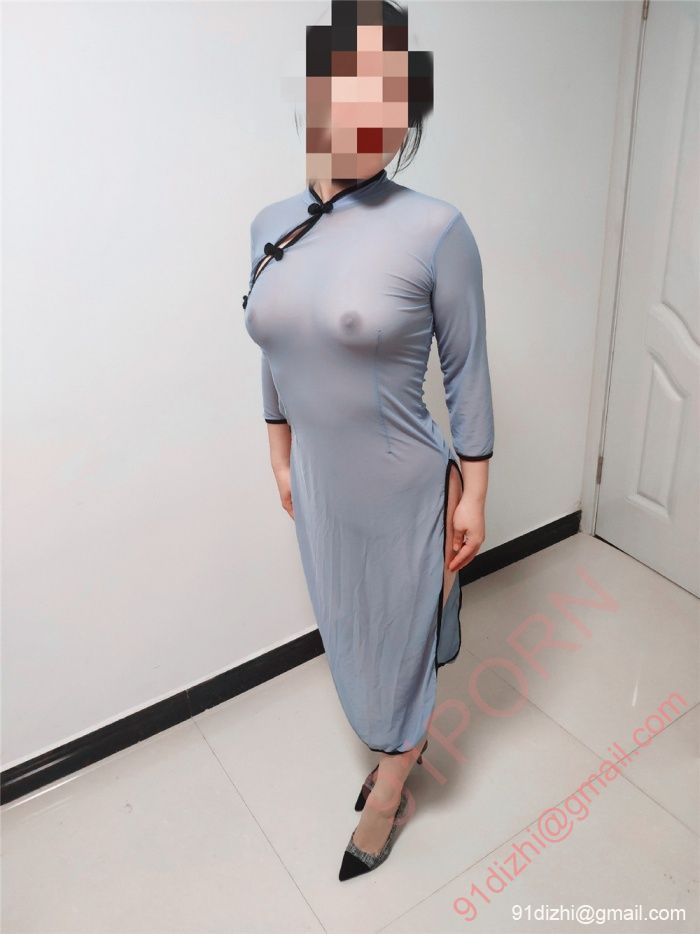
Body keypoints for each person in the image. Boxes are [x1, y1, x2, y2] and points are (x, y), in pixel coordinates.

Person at [243, 0, 494, 880]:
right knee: (350, 628)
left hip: (403, 488)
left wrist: (476, 491)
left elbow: (467, 370)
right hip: (317, 482)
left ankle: (391, 790)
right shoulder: (268, 222)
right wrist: (279, 451)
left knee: (400, 640)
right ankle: (396, 747)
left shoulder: (435, 229)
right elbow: (273, 340)